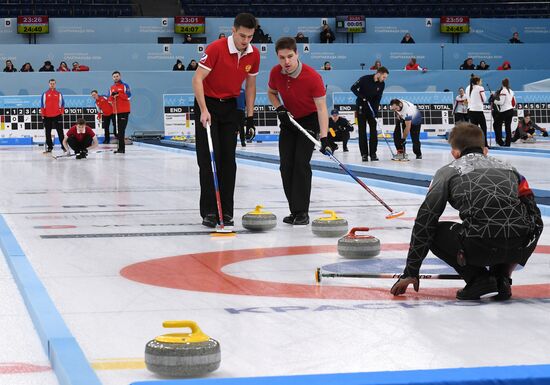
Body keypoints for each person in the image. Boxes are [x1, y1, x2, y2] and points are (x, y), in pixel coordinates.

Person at [390, 122, 543, 301]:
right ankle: (502, 279)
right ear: (485, 150)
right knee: (514, 224)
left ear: (454, 153)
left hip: (480, 245)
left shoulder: (447, 172)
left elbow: (426, 220)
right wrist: (524, 246)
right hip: (519, 245)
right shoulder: (512, 170)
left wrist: (411, 271)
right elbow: (535, 216)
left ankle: (478, 279)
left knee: (436, 230)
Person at [192, 13, 260, 228]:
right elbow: (197, 80)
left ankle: (227, 212)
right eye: (242, 36)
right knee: (209, 160)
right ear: (233, 30)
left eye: (250, 37)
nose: (245, 41)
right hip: (208, 105)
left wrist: (249, 117)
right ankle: (210, 212)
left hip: (230, 106)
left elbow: (250, 86)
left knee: (228, 162)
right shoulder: (216, 48)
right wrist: (203, 109)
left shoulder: (253, 54)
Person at [268, 36, 330, 226]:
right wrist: (280, 108)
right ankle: (294, 210)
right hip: (290, 121)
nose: (286, 62)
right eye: (281, 58)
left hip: (309, 121)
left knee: (301, 164)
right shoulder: (276, 73)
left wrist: (325, 137)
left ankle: (302, 211)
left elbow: (321, 108)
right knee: (286, 165)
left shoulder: (312, 77)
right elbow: (271, 92)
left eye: (289, 56)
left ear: (297, 54)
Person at [351, 66, 389, 161]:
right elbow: (353, 88)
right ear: (379, 74)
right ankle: (364, 154)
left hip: (372, 109)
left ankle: (373, 154)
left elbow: (378, 98)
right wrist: (362, 97)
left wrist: (375, 112)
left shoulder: (382, 84)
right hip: (361, 108)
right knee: (362, 131)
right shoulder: (364, 79)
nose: (384, 79)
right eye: (384, 77)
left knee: (373, 131)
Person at [109, 71, 131, 154]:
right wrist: (112, 96)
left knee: (121, 130)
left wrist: (119, 94)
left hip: (124, 111)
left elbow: (129, 96)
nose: (116, 78)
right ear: (112, 78)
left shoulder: (125, 86)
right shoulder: (112, 87)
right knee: (117, 131)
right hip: (115, 112)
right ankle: (119, 148)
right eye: (114, 76)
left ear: (120, 76)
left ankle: (122, 149)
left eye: (117, 76)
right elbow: (109, 100)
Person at [40, 79, 65, 153]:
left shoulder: (59, 94)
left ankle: (64, 146)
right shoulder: (45, 94)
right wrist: (43, 115)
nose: (52, 85)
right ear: (49, 84)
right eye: (51, 83)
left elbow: (62, 104)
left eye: (53, 83)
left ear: (55, 84)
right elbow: (42, 105)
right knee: (48, 132)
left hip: (57, 115)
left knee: (60, 132)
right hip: (47, 116)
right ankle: (50, 147)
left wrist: (62, 112)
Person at [464, 75, 488, 147]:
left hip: (470, 110)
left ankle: (474, 145)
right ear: (477, 81)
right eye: (480, 81)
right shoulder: (480, 88)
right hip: (478, 110)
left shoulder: (467, 88)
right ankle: (484, 144)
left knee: (474, 129)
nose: (481, 82)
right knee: (483, 128)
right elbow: (484, 99)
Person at [492, 78, 515, 147]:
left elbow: (501, 102)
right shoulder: (511, 91)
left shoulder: (503, 91)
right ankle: (508, 143)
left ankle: (500, 141)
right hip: (511, 110)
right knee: (508, 127)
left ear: (502, 84)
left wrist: (494, 101)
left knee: (496, 124)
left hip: (505, 111)